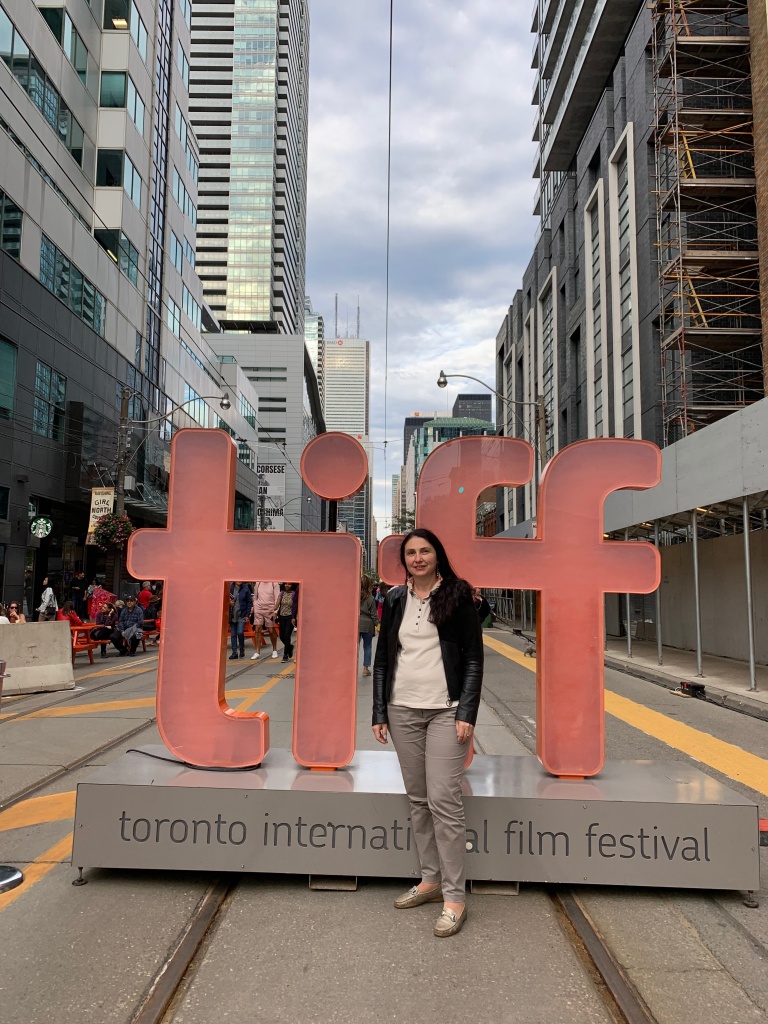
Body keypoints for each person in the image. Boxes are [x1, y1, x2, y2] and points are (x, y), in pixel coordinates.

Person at [372, 528, 483, 939]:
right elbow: (383, 659)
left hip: (446, 710)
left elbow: (473, 657)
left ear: (437, 556)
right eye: (411, 553)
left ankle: (455, 898)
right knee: (418, 799)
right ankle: (430, 880)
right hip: (402, 709)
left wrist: (467, 711)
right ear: (403, 560)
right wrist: (379, 711)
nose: (418, 558)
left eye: (425, 551)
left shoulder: (457, 596)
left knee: (443, 800)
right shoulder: (394, 599)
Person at [251, 581, 281, 660]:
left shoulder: (274, 584)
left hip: (270, 608)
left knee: (271, 630)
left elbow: (277, 598)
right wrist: (255, 608)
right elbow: (255, 597)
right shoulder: (258, 583)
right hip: (259, 608)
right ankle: (257, 651)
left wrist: (275, 611)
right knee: (257, 628)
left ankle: (274, 650)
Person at [358, 575, 378, 677]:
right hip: (368, 624)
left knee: (354, 647)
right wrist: (377, 625)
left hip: (356, 623)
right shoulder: (371, 598)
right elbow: (374, 614)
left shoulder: (355, 596)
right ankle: (365, 669)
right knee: (367, 646)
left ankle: (352, 666)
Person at [229, 581, 253, 660]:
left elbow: (249, 602)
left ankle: (241, 648)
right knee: (233, 634)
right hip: (232, 615)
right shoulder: (230, 588)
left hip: (242, 615)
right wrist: (229, 603)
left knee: (240, 632)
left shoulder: (245, 588)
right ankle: (234, 652)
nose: (239, 581)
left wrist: (247, 615)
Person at [275, 583, 297, 662]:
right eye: (286, 584)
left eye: (289, 584)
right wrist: (273, 610)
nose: (287, 585)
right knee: (281, 636)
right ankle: (289, 647)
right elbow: (277, 604)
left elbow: (295, 606)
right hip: (282, 616)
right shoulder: (282, 593)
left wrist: (294, 617)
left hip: (290, 617)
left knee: (287, 635)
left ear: (292, 585)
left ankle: (285, 655)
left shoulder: (294, 594)